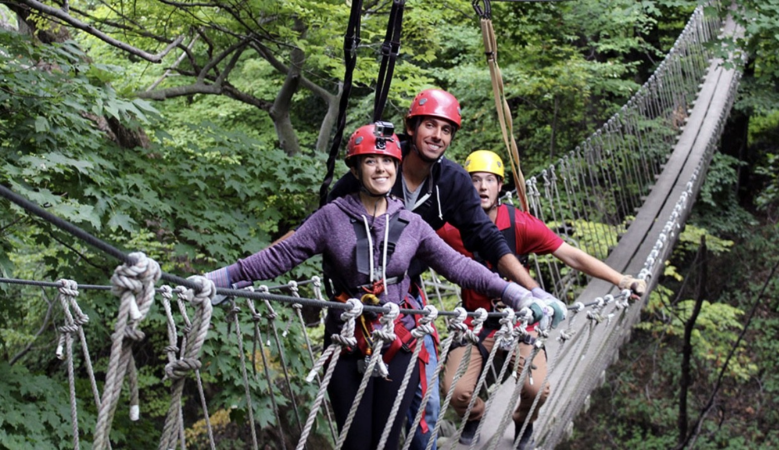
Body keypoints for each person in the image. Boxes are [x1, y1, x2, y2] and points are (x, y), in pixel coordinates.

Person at [206, 125, 555, 450]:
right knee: (356, 441)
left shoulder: (411, 224)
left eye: (388, 161)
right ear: (356, 170)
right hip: (346, 340)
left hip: (396, 341)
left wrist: (517, 293)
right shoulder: (331, 217)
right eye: (370, 161)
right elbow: (280, 256)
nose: (381, 169)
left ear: (397, 166)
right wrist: (219, 280)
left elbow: (459, 266)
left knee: (388, 440)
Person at [325, 89, 545, 450]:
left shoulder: (452, 182)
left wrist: (529, 291)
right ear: (411, 128)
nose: (437, 136)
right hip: (353, 308)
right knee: (360, 431)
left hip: (404, 303)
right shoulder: (374, 165)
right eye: (429, 125)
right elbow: (316, 230)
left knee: (422, 403)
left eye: (446, 129)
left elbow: (482, 241)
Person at [437, 150, 647, 449]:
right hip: (477, 322)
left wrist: (621, 280)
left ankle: (523, 422)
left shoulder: (519, 223)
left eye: (489, 180)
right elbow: (417, 242)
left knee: (536, 390)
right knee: (456, 391)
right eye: (474, 180)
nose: (482, 187)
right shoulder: (451, 227)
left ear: (500, 186)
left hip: (522, 321)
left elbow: (570, 254)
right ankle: (474, 417)